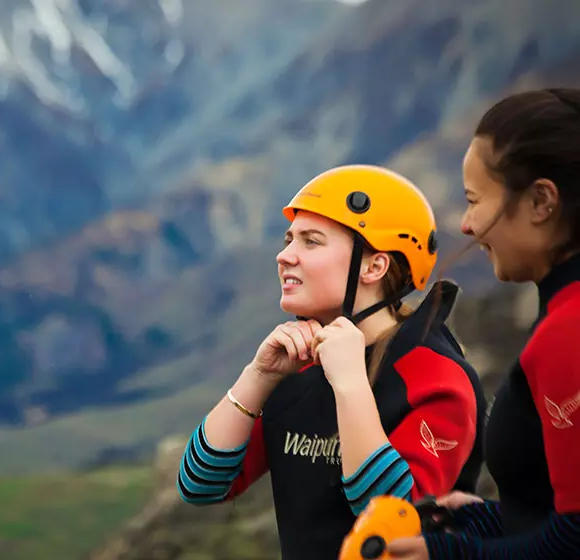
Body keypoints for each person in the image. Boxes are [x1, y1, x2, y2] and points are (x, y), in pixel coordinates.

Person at [175, 164, 488, 559]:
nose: (284, 256)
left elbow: (394, 519)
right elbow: (201, 485)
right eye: (289, 239)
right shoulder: (299, 362)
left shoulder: (435, 375)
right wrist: (258, 377)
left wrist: (351, 385)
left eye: (311, 241)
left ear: (375, 266)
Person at [386, 88, 580, 559]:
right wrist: (483, 518)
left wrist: (446, 555)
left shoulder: (568, 333)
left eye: (475, 200)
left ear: (541, 201)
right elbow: (551, 517)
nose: (468, 226)